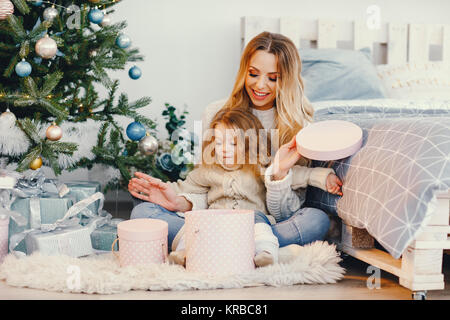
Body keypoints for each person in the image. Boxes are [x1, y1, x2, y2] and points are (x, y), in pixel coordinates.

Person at [129, 31, 343, 260]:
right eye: (253, 73)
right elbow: (208, 184)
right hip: (213, 219)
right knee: (142, 212)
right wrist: (180, 202)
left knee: (315, 219)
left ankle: (211, 246)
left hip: (260, 221)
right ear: (244, 71)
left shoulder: (298, 126)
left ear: (287, 80)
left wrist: (279, 174)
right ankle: (255, 249)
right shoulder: (217, 113)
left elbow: (287, 213)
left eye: (273, 78)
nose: (260, 85)